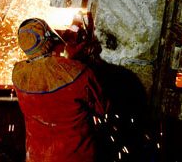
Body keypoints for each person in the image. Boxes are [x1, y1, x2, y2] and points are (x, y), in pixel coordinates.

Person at [12, 18, 109, 162]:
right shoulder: (78, 72)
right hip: (75, 157)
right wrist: (78, 62)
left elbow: (46, 69)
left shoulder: (19, 74)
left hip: (37, 157)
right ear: (50, 39)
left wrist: (67, 60)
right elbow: (103, 108)